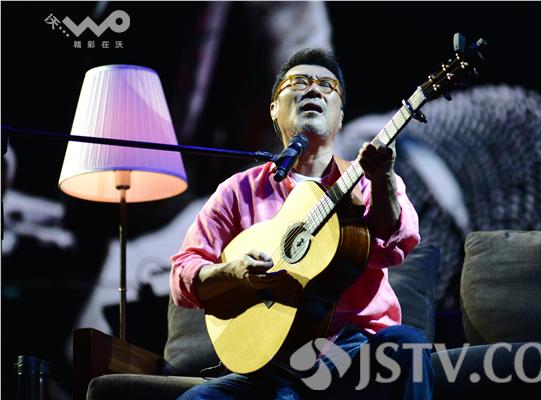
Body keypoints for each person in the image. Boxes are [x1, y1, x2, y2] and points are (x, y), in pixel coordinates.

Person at [170, 48, 432, 399]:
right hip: (268, 364)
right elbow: (183, 275)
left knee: (405, 347)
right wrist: (233, 272)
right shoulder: (238, 191)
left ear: (340, 117)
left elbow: (395, 246)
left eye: (327, 86)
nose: (313, 89)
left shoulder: (368, 182)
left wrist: (383, 179)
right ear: (273, 108)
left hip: (353, 353)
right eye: (298, 82)